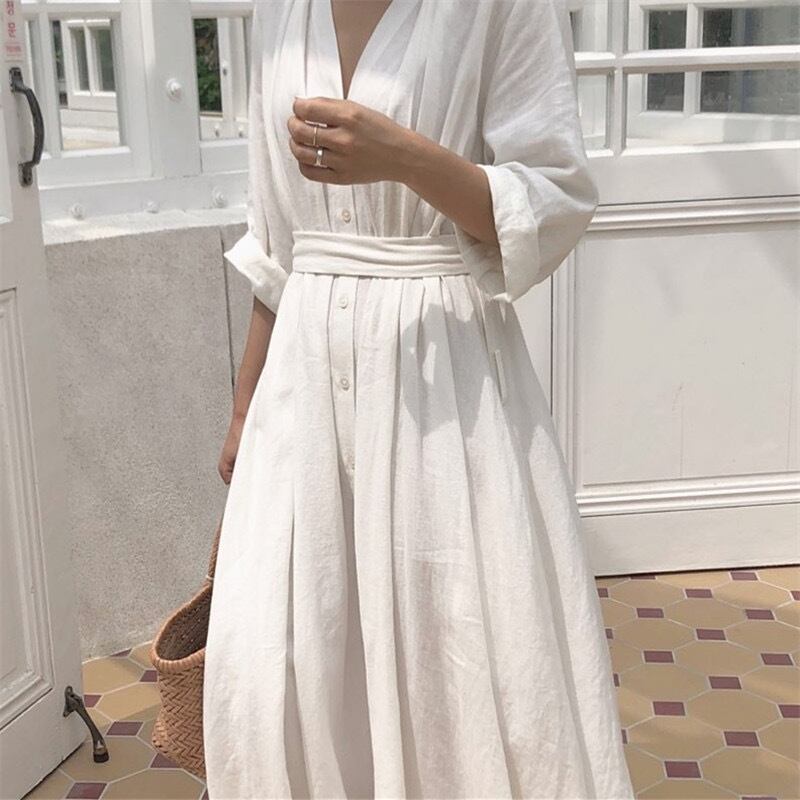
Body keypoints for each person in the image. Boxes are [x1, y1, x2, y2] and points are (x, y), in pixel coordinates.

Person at [203, 1, 635, 798]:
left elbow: (556, 198)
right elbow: (277, 247)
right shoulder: (278, 12)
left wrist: (403, 157)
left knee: (458, 645)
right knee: (284, 654)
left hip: (445, 386)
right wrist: (242, 410)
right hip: (302, 385)